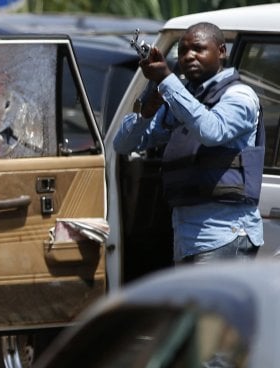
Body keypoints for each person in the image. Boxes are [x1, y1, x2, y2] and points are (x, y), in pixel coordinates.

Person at [113, 22, 264, 264]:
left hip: (224, 235)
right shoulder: (184, 97)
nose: (188, 56)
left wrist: (167, 79)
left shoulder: (240, 96)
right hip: (188, 238)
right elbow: (123, 145)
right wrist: (147, 109)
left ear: (221, 52)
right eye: (182, 51)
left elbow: (210, 130)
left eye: (198, 48)